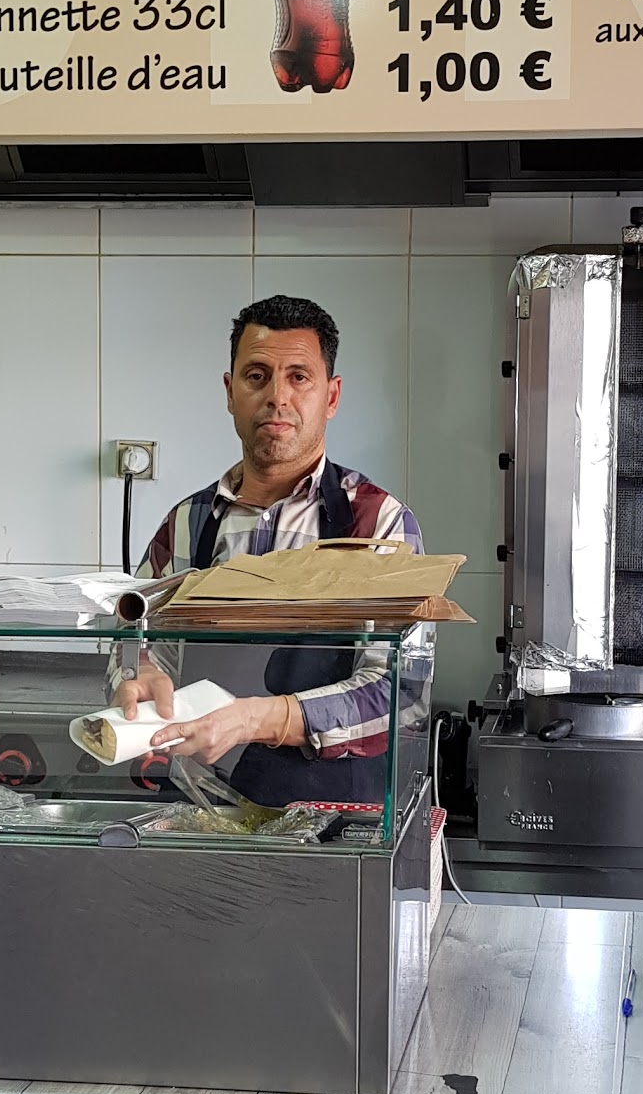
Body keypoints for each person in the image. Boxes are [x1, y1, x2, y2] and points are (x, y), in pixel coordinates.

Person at [112, 293, 422, 808]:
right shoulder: (188, 523)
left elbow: (400, 692)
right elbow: (135, 636)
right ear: (230, 392)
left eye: (299, 377)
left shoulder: (379, 525)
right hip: (198, 807)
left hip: (330, 818)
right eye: (257, 376)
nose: (278, 396)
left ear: (332, 396)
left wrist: (255, 719)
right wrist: (138, 672)